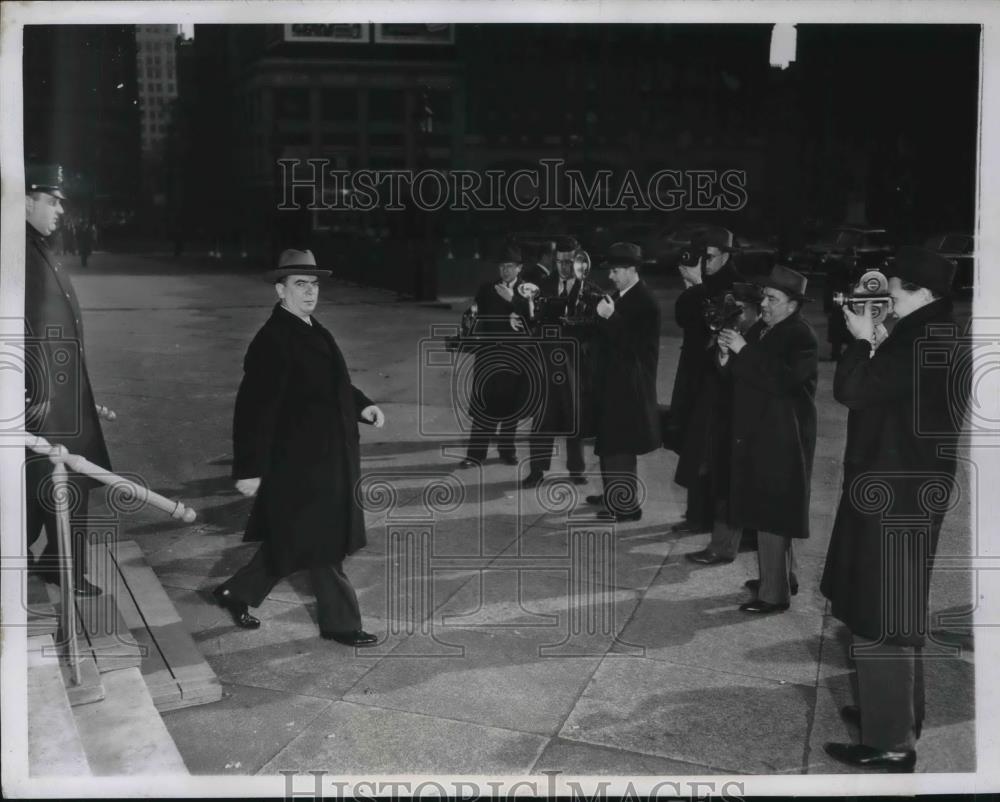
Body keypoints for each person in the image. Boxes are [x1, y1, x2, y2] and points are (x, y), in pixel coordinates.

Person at [821, 247, 970, 772]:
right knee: (892, 610)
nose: (887, 297)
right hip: (901, 491)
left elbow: (854, 390)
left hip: (895, 499)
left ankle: (890, 743)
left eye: (897, 289)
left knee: (882, 614)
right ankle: (898, 717)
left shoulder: (924, 339)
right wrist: (878, 338)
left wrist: (861, 342)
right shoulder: (934, 331)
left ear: (924, 294)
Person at [212, 249, 385, 646]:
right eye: (299, 285)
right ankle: (341, 624)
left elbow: (331, 382)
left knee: (290, 541)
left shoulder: (309, 326)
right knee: (324, 545)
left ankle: (235, 593)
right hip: (300, 465)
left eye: (314, 284)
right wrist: (249, 469)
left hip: (327, 459)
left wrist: (363, 405)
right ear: (280, 289)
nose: (310, 292)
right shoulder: (273, 340)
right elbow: (252, 411)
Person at [23, 164, 110, 597]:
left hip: (62, 395)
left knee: (49, 486)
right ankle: (60, 569)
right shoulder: (19, 251)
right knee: (58, 486)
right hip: (47, 399)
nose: (59, 209)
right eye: (51, 201)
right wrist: (36, 389)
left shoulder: (38, 246)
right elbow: (20, 327)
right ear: (26, 200)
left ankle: (56, 565)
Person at [717, 265, 817, 613]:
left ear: (793, 305)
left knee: (773, 512)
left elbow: (781, 381)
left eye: (773, 299)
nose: (764, 304)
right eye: (764, 297)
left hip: (782, 437)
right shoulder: (766, 327)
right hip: (761, 432)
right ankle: (781, 577)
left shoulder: (800, 335)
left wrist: (744, 351)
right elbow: (748, 373)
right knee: (769, 508)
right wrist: (727, 355)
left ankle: (774, 595)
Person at [684, 283, 774, 567]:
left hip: (747, 424)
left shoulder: (762, 334)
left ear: (753, 309)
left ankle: (723, 547)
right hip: (727, 420)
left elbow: (761, 376)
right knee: (725, 484)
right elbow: (721, 373)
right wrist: (723, 353)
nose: (734, 315)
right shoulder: (742, 332)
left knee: (731, 488)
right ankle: (728, 543)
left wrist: (739, 349)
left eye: (739, 309)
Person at [669, 226, 741, 534]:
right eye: (702, 256)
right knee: (692, 444)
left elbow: (715, 323)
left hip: (718, 377)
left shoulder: (734, 286)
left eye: (709, 257)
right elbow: (683, 318)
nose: (704, 261)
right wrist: (692, 285)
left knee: (707, 448)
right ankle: (696, 514)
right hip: (695, 372)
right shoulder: (706, 280)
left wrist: (697, 285)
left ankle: (706, 519)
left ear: (725, 256)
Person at [586, 242, 661, 522]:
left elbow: (634, 348)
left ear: (632, 270)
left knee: (619, 447)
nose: (611, 276)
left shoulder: (645, 303)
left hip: (629, 388)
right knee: (609, 443)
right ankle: (613, 495)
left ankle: (626, 507)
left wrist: (609, 318)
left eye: (616, 271)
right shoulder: (621, 295)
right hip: (614, 383)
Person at [523, 236, 588, 488]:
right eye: (559, 261)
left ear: (578, 259)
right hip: (546, 363)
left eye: (569, 261)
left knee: (575, 418)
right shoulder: (541, 285)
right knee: (542, 419)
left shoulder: (588, 287)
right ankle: (537, 470)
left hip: (574, 364)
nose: (564, 266)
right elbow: (531, 321)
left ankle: (577, 469)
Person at [458, 248, 530, 468]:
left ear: (519, 268)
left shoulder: (529, 290)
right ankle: (475, 455)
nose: (505, 270)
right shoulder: (487, 288)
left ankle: (507, 450)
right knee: (483, 407)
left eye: (509, 266)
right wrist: (469, 319)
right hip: (488, 353)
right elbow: (475, 313)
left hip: (515, 356)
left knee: (511, 407)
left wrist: (514, 299)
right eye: (502, 266)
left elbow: (533, 319)